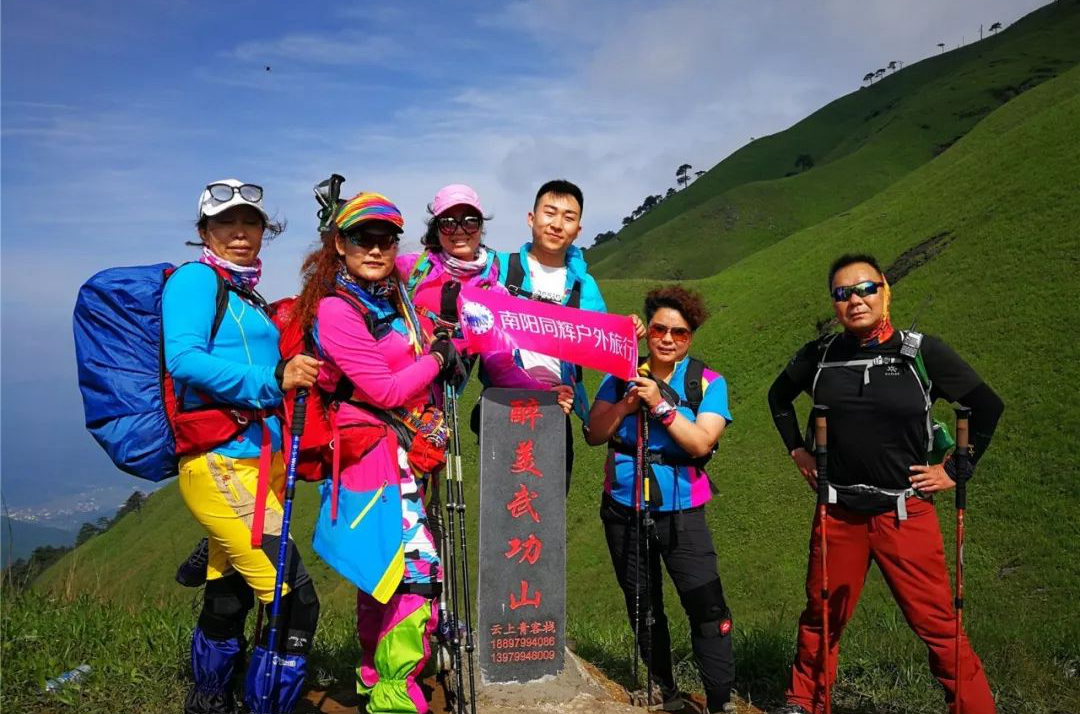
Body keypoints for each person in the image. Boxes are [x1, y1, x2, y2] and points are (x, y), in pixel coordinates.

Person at [767, 254, 1004, 714]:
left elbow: (987, 406)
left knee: (938, 624)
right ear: (834, 303)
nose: (855, 299)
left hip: (906, 511)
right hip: (838, 512)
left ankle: (973, 707)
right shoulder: (820, 355)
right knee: (821, 616)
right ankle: (804, 702)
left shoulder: (922, 353)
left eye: (866, 288)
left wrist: (957, 469)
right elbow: (778, 397)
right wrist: (796, 450)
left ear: (884, 291)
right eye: (843, 293)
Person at [289, 191, 454, 714]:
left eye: (387, 238)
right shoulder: (337, 310)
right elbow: (384, 389)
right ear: (340, 244)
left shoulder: (388, 296)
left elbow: (443, 269)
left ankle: (375, 677)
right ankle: (396, 694)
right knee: (417, 573)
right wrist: (439, 359)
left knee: (384, 573)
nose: (377, 248)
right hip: (371, 458)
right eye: (364, 237)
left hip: (398, 453)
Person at [163, 179, 322, 714]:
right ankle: (269, 704)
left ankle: (211, 698)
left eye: (249, 222)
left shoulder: (245, 294)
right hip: (222, 463)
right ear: (204, 231)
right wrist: (273, 378)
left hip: (256, 462)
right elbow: (183, 359)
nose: (239, 232)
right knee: (295, 600)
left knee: (228, 592)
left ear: (263, 231)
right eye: (225, 223)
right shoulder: (196, 280)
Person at [586, 286, 736, 714]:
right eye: (659, 329)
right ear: (648, 330)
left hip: (683, 513)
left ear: (691, 337)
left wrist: (660, 406)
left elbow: (701, 442)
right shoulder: (622, 376)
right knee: (644, 606)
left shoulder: (707, 382)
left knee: (706, 606)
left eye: (679, 332)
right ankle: (663, 688)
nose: (668, 339)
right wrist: (626, 405)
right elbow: (595, 433)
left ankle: (720, 699)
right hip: (624, 509)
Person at [494, 179, 643, 486]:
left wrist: (629, 331)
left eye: (568, 217)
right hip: (501, 406)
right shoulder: (501, 269)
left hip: (557, 409)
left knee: (546, 509)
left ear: (578, 230)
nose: (557, 224)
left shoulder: (584, 285)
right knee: (501, 509)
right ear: (531, 218)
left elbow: (602, 343)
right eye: (549, 213)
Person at [398, 183, 573, 412]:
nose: (459, 230)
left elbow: (500, 366)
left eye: (470, 221)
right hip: (382, 387)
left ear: (481, 227)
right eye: (448, 223)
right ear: (437, 229)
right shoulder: (412, 268)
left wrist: (543, 392)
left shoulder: (492, 293)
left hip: (431, 410)